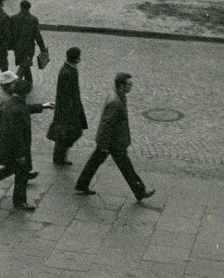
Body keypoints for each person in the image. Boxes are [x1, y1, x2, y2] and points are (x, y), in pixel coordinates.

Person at [74, 73, 156, 202]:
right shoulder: (116, 102)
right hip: (112, 142)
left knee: (95, 163)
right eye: (129, 84)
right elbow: (107, 124)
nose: (132, 86)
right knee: (126, 167)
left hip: (111, 141)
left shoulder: (117, 95)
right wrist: (104, 146)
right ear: (122, 85)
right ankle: (140, 192)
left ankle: (81, 185)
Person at [0, 79, 53, 211]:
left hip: (10, 146)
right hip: (17, 148)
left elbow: (25, 108)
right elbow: (16, 134)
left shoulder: (12, 102)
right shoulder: (16, 108)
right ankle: (19, 201)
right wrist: (20, 155)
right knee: (21, 172)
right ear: (25, 93)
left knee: (12, 169)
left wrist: (42, 106)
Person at [48, 47, 88, 166]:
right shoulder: (68, 72)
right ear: (76, 58)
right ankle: (59, 157)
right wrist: (71, 111)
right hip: (68, 109)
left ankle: (59, 157)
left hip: (70, 107)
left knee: (66, 133)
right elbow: (67, 94)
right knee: (71, 132)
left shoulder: (70, 69)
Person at [9, 0, 46, 90]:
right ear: (29, 8)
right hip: (29, 48)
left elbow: (9, 33)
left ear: (20, 7)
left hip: (17, 48)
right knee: (24, 65)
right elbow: (37, 35)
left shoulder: (13, 18)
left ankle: (29, 82)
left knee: (24, 64)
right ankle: (14, 85)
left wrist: (10, 45)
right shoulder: (33, 19)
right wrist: (43, 48)